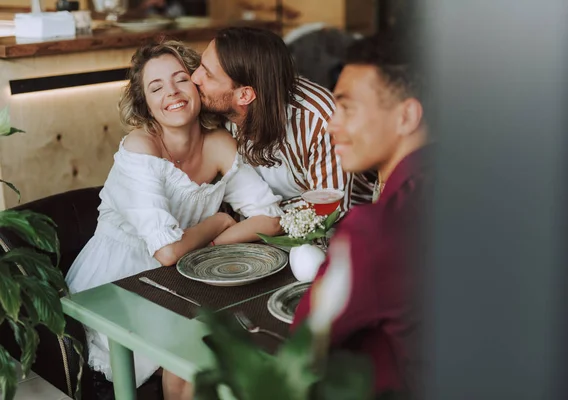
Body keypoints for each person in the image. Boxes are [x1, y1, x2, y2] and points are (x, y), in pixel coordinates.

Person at [65, 40, 283, 389]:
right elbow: (166, 252)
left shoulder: (219, 144)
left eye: (180, 79)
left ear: (197, 85)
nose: (172, 92)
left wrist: (212, 239)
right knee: (189, 359)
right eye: (156, 87)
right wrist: (220, 220)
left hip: (186, 276)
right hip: (120, 283)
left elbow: (269, 218)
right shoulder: (141, 148)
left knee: (237, 347)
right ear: (146, 105)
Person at [291, 33, 431, 398]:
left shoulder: (374, 230)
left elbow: (303, 344)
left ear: (406, 116)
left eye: (347, 108)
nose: (332, 125)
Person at [190, 26, 375, 216]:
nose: (194, 77)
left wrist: (271, 219)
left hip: (339, 226)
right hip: (260, 226)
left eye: (208, 75)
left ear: (245, 95)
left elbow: (330, 213)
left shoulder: (319, 121)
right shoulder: (210, 111)